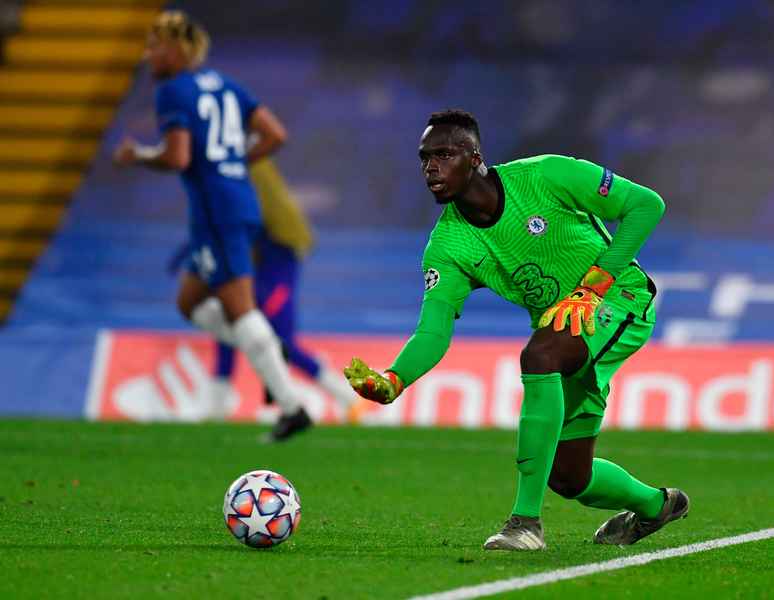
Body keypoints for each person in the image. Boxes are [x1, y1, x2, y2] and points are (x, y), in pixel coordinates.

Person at [344, 109, 689, 550]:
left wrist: (593, 286)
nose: (431, 167)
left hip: (620, 299)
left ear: (475, 158)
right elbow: (433, 332)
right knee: (569, 476)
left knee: (539, 354)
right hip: (566, 330)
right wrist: (394, 380)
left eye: (444, 155)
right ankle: (657, 504)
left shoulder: (547, 175)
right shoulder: (447, 247)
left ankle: (525, 524)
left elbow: (646, 205)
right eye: (425, 158)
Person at [113, 10, 313, 441]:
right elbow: (275, 135)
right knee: (189, 302)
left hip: (218, 211)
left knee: (240, 310)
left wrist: (139, 155)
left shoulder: (171, 91)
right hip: (234, 204)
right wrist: (234, 162)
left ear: (176, 50)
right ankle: (266, 348)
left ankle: (291, 405)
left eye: (155, 47)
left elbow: (178, 157)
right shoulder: (225, 84)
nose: (148, 55)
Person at [168, 157, 361, 420]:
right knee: (232, 322)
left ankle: (347, 396)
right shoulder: (246, 192)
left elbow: (229, 226)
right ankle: (218, 405)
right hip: (257, 274)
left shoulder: (260, 203)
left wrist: (189, 255)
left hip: (274, 279)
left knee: (282, 344)